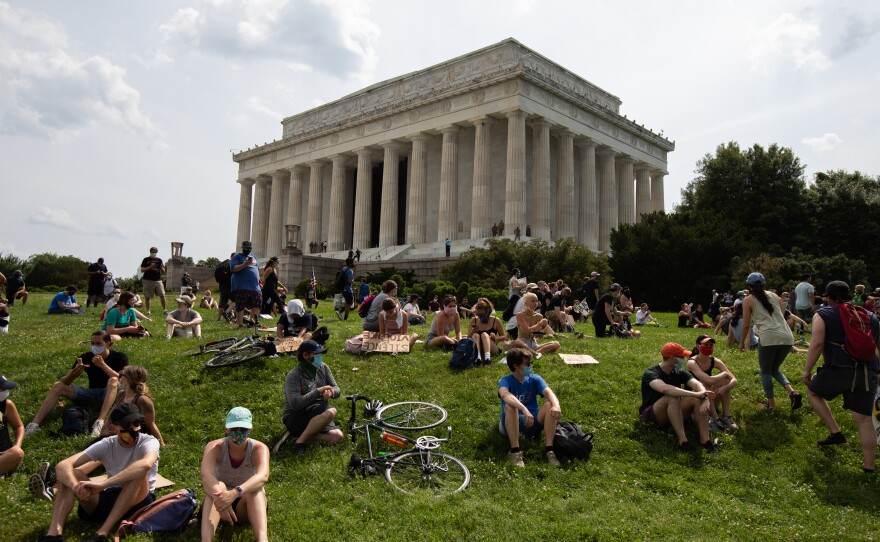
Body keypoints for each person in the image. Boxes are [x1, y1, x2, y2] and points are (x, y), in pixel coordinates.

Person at [37, 403, 159, 542]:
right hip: (109, 497)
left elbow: (146, 464)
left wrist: (104, 484)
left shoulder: (148, 441)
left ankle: (102, 533)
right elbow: (62, 466)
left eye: (136, 423)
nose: (132, 429)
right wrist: (75, 486)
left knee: (138, 472)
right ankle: (54, 534)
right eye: (126, 425)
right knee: (70, 474)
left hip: (139, 501)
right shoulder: (107, 444)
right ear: (113, 428)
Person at [802, 281, 879, 473]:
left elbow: (817, 343)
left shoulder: (823, 313)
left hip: (838, 369)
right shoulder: (869, 316)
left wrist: (807, 370)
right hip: (867, 371)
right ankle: (869, 467)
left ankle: (835, 432)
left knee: (812, 392)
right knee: (864, 420)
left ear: (828, 297)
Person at [26, 330, 128, 438]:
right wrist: (73, 375)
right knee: (58, 386)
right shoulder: (86, 357)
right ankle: (34, 424)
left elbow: (123, 380)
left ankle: (99, 422)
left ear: (108, 343)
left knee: (113, 380)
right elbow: (64, 382)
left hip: (110, 393)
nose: (94, 346)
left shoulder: (119, 357)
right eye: (92, 343)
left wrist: (103, 365)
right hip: (91, 393)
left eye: (98, 344)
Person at [200, 407, 270, 542]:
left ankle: (262, 539)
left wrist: (235, 493)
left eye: (243, 430)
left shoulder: (259, 448)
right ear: (226, 429)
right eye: (233, 429)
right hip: (218, 503)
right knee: (217, 486)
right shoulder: (215, 447)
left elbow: (263, 476)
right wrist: (222, 499)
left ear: (250, 430)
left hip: (245, 503)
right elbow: (206, 475)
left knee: (254, 491)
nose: (238, 434)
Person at [639, 343, 717, 452]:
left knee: (697, 398)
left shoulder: (679, 372)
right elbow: (664, 389)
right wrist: (696, 394)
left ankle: (705, 440)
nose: (683, 359)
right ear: (671, 358)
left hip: (673, 411)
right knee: (672, 397)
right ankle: (683, 441)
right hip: (653, 415)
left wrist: (704, 396)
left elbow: (697, 384)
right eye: (681, 357)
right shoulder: (651, 373)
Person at [740, 272, 802, 410]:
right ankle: (792, 392)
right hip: (787, 337)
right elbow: (781, 313)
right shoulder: (774, 296)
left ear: (748, 286)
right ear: (764, 284)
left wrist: (742, 342)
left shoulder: (748, 300)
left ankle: (771, 406)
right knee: (774, 369)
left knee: (765, 372)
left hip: (768, 337)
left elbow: (745, 325)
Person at [497, 348, 562, 467]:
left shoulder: (534, 378)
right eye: (527, 364)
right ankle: (515, 451)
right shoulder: (505, 380)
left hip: (532, 421)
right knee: (510, 407)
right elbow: (505, 395)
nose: (530, 366)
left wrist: (556, 405)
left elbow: (549, 393)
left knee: (549, 405)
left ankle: (549, 450)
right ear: (515, 365)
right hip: (510, 422)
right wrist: (523, 408)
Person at [281, 340, 344, 454]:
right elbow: (295, 405)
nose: (320, 358)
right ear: (305, 356)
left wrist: (332, 392)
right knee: (331, 412)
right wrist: (318, 392)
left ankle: (297, 438)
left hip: (319, 412)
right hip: (296, 417)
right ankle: (300, 442)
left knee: (337, 437)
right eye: (317, 355)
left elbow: (336, 388)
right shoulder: (294, 376)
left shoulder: (323, 368)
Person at [94, 365, 164, 446]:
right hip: (108, 437)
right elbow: (111, 417)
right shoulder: (121, 394)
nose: (119, 377)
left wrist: (161, 444)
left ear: (127, 379)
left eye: (121, 375)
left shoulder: (142, 400)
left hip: (125, 440)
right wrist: (102, 434)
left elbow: (151, 424)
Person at [686, 336, 739, 432]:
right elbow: (709, 380)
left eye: (711, 345)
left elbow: (734, 380)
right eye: (706, 345)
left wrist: (725, 388)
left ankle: (726, 416)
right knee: (706, 383)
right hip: (694, 398)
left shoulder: (715, 361)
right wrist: (724, 374)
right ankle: (714, 417)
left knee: (726, 381)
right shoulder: (692, 363)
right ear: (698, 346)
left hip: (709, 398)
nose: (709, 347)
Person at [231, 241, 262, 329]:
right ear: (242, 247)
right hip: (241, 286)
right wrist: (245, 264)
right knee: (240, 305)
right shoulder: (237, 257)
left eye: (249, 248)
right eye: (246, 248)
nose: (248, 249)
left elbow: (256, 269)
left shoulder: (253, 257)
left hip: (255, 287)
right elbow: (233, 269)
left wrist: (259, 281)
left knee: (257, 303)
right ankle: (240, 324)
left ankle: (251, 322)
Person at [468, 298, 506, 365]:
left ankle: (487, 359)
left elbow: (503, 336)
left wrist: (495, 338)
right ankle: (478, 358)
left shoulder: (495, 320)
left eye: (482, 314)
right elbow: (468, 337)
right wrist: (473, 332)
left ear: (488, 311)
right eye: (478, 314)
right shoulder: (474, 320)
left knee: (484, 334)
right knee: (475, 335)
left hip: (491, 347)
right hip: (478, 347)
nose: (480, 317)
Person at [0, 374, 25, 478]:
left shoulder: (7, 405)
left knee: (17, 453)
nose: (5, 391)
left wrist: (17, 444)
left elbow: (19, 427)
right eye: (2, 389)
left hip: (5, 454)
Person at [139, 247, 167, 316]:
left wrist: (161, 267)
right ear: (150, 251)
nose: (154, 253)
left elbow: (163, 271)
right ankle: (148, 311)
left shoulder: (159, 260)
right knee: (147, 297)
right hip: (148, 280)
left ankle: (165, 310)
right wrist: (150, 267)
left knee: (162, 295)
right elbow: (142, 270)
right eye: (153, 251)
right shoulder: (146, 260)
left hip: (158, 280)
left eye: (155, 251)